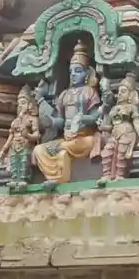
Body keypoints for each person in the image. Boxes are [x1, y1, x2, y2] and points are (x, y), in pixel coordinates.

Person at [32, 40, 103, 185]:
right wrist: (51, 121)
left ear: (86, 73)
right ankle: (54, 178)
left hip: (84, 138)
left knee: (67, 148)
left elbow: (96, 117)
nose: (73, 75)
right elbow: (61, 120)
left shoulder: (89, 92)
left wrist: (83, 119)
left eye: (78, 71)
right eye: (71, 72)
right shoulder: (64, 95)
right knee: (39, 150)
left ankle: (57, 179)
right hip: (67, 139)